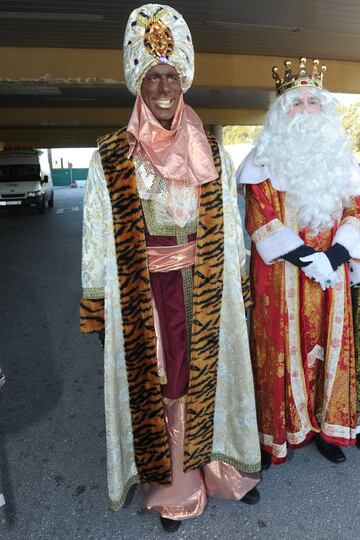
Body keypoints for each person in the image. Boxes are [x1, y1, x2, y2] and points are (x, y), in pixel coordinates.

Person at [80, 4, 260, 532]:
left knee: (215, 373)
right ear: (138, 82)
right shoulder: (111, 156)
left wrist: (239, 287)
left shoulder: (212, 151)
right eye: (152, 75)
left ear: (183, 80)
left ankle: (224, 469)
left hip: (204, 283)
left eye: (171, 75)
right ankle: (174, 486)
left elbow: (230, 222)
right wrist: (97, 306)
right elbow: (95, 236)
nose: (163, 85)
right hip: (147, 293)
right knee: (167, 384)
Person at [237, 58, 360, 468]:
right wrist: (309, 259)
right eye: (295, 102)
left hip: (332, 276)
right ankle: (283, 432)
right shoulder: (264, 160)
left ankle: (327, 427)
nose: (305, 109)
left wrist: (337, 256)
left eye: (312, 101)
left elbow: (355, 210)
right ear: (279, 113)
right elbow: (260, 217)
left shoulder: (342, 160)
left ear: (323, 110)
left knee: (330, 348)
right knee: (280, 352)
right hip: (282, 276)